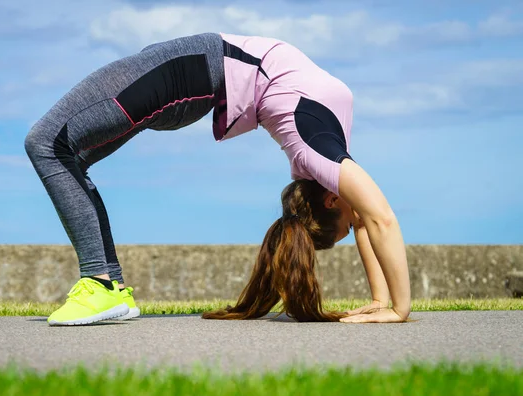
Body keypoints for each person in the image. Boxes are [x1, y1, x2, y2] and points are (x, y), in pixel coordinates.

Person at [24, 32, 411, 326]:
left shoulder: (316, 158)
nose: (354, 215)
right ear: (331, 201)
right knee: (67, 155)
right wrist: (387, 302)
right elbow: (373, 218)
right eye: (346, 222)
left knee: (44, 143)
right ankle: (114, 289)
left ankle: (101, 283)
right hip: (193, 74)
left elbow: (374, 219)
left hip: (189, 75)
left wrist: (396, 307)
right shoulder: (318, 157)